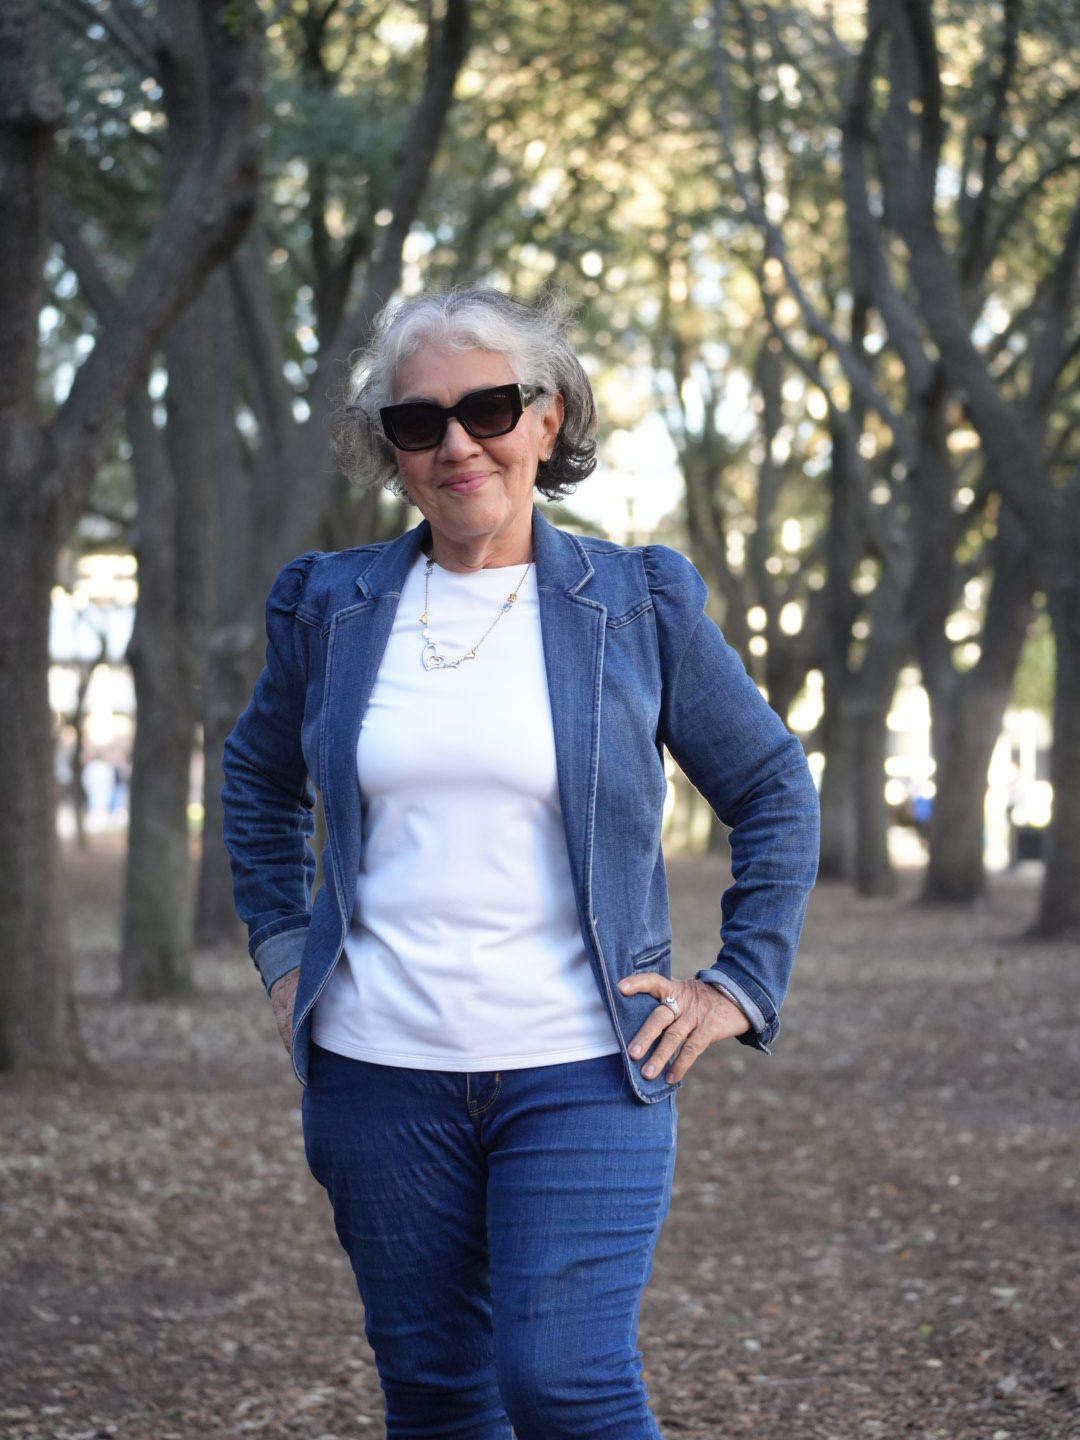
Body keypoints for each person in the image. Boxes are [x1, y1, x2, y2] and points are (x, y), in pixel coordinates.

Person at [222, 288, 819, 1440]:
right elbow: (256, 781)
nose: (457, 444)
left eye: (489, 408)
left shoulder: (637, 603)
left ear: (548, 419)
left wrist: (740, 984)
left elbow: (772, 788)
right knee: (439, 1397)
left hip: (585, 1068)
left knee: (565, 1383)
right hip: (377, 1074)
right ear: (392, 447)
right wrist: (285, 949)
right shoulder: (329, 606)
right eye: (419, 421)